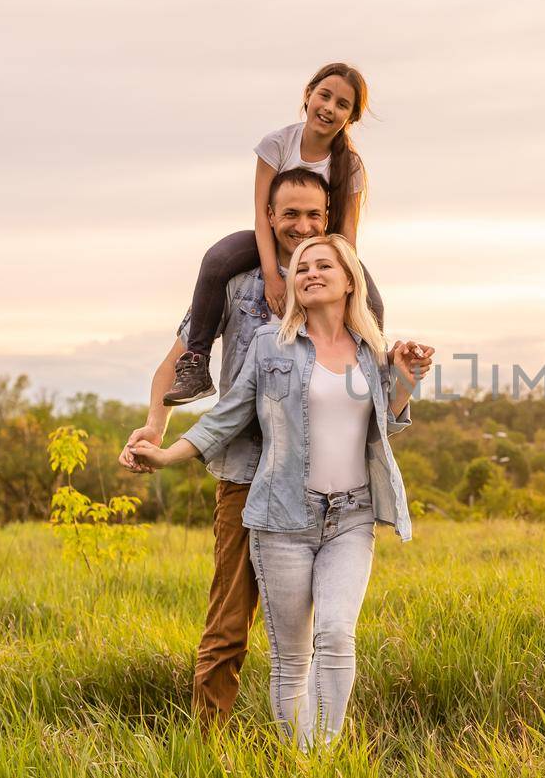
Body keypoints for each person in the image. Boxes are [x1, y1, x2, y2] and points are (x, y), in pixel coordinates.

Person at [130, 233, 433, 750]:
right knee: (292, 658)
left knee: (336, 635)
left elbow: (390, 421)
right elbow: (224, 420)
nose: (311, 272)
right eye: (302, 267)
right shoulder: (271, 345)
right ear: (291, 282)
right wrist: (163, 452)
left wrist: (406, 379)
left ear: (349, 280)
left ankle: (324, 755)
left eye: (324, 266)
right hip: (281, 519)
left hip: (351, 518)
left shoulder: (372, 350)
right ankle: (301, 758)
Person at [117, 168, 368, 727]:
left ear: (327, 218)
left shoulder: (336, 279)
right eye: (290, 215)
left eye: (313, 215)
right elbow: (178, 359)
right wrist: (155, 426)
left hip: (316, 482)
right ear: (270, 217)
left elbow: (366, 372)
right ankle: (207, 744)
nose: (301, 226)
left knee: (315, 631)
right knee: (230, 624)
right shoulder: (237, 282)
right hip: (243, 472)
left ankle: (310, 750)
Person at [163, 62, 385, 406]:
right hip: (272, 235)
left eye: (342, 104)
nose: (329, 108)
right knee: (218, 258)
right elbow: (260, 213)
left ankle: (371, 382)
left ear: (350, 117)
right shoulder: (278, 144)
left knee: (373, 303)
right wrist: (272, 276)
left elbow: (348, 235)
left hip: (322, 245)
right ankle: (195, 363)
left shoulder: (350, 165)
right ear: (309, 95)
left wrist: (338, 275)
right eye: (324, 96)